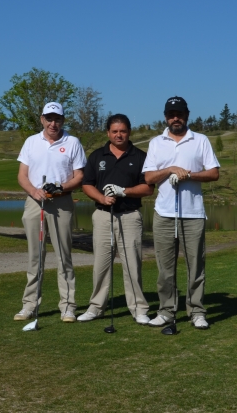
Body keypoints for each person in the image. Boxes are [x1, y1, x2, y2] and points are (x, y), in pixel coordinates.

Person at [142, 96, 220, 330]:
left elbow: (214, 173)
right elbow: (148, 177)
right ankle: (166, 311)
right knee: (165, 268)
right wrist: (169, 170)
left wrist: (188, 174)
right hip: (164, 213)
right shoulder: (156, 142)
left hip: (193, 214)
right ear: (165, 116)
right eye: (171, 114)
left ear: (187, 115)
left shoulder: (201, 140)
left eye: (179, 113)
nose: (175, 118)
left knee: (195, 267)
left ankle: (196, 311)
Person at [13, 102, 87, 323]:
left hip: (61, 203)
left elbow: (79, 176)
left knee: (64, 256)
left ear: (63, 120)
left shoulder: (72, 142)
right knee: (35, 257)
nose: (53, 123)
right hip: (35, 203)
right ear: (42, 119)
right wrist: (35, 192)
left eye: (57, 119)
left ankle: (67, 307)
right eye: (49, 118)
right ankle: (29, 305)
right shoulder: (31, 142)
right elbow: (22, 176)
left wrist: (61, 188)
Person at [78, 114, 155, 325]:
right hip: (103, 215)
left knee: (132, 264)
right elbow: (86, 184)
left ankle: (139, 308)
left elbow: (148, 188)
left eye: (122, 131)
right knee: (101, 264)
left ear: (129, 132)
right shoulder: (97, 156)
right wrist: (102, 197)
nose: (119, 135)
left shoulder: (140, 156)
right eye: (114, 131)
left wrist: (124, 191)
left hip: (130, 216)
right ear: (108, 133)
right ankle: (96, 307)